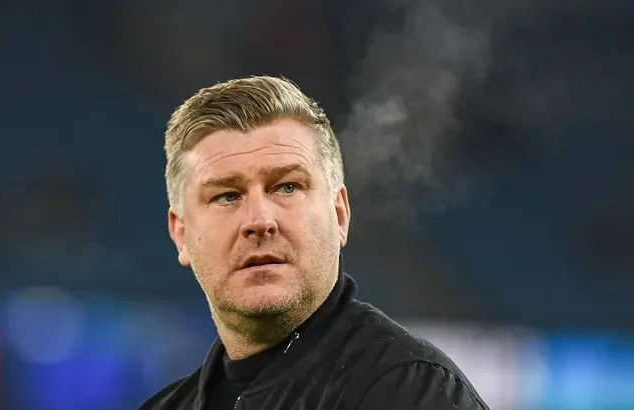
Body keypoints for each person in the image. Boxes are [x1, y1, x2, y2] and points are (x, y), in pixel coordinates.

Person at [138, 76, 490, 410]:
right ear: (181, 234)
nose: (259, 220)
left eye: (287, 187)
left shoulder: (407, 390)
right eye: (227, 196)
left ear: (340, 215)